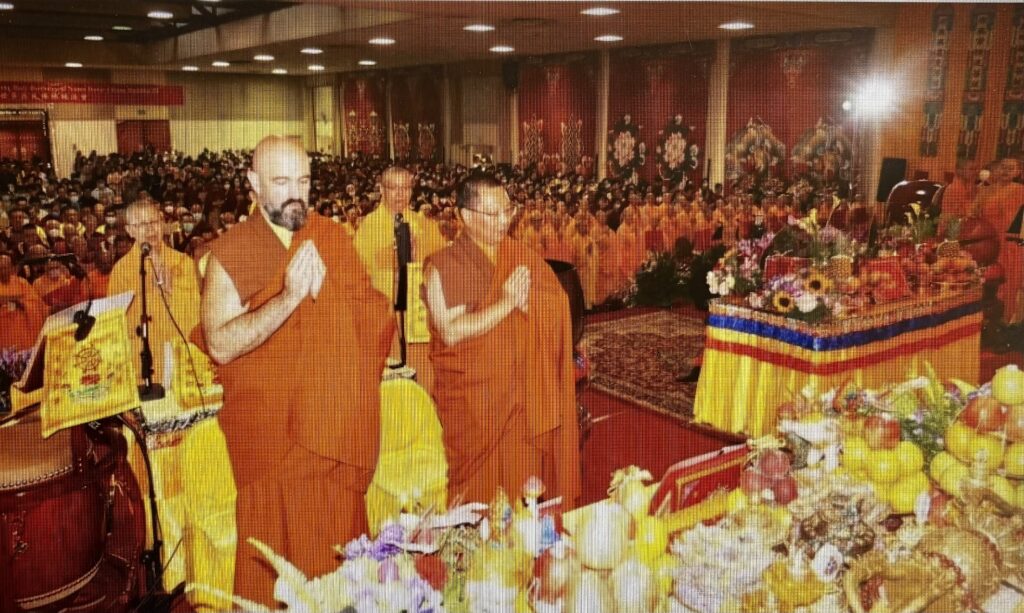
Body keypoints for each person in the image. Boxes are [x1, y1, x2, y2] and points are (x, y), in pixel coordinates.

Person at [199, 135, 393, 606]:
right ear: (253, 184)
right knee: (278, 554)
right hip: (273, 437)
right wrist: (290, 297)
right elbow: (221, 344)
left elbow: (375, 314)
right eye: (281, 181)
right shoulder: (237, 248)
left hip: (334, 426)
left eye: (303, 180)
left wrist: (334, 305)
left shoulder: (329, 236)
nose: (295, 194)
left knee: (336, 550)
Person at [106, 199, 237, 610]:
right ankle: (167, 559)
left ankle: (206, 557)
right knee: (161, 480)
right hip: (148, 384)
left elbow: (201, 317)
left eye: (154, 221)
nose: (149, 230)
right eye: (140, 224)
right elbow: (117, 334)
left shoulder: (184, 263)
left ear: (164, 222)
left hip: (189, 376)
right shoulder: (122, 273)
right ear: (128, 231)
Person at [423, 171, 581, 507]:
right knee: (480, 504)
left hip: (520, 396)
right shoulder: (443, 265)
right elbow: (451, 330)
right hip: (476, 406)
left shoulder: (520, 256)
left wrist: (534, 305)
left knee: (523, 495)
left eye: (507, 211)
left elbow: (558, 304)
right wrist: (508, 303)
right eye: (492, 214)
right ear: (465, 216)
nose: (503, 221)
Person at [975, 158, 1024, 323]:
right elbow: (974, 213)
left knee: (1004, 286)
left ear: (1018, 173)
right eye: (1003, 167)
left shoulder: (1019, 190)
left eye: (1010, 169)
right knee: (982, 283)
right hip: (986, 244)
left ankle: (1003, 327)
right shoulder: (988, 189)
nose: (1005, 172)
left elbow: (1014, 224)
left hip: (1008, 246)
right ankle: (980, 323)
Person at [0, 253, 47, 351]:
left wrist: (20, 303)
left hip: (24, 332)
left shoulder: (22, 283)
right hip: (4, 334)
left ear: (12, 268)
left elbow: (36, 303)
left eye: (5, 267)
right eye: (0, 268)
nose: (2, 271)